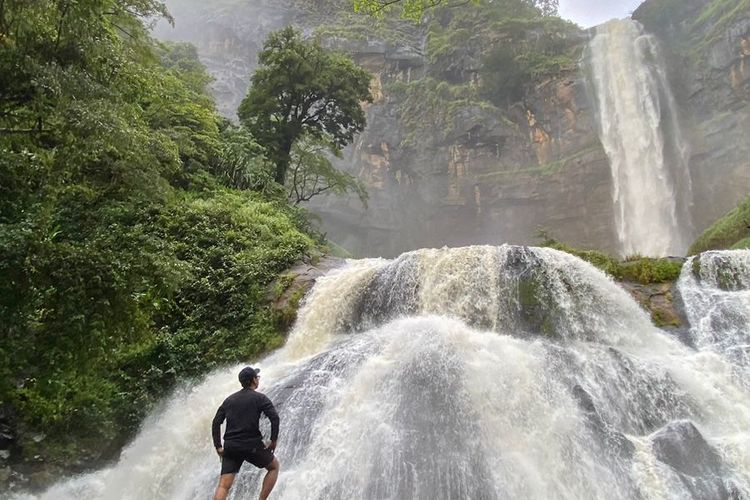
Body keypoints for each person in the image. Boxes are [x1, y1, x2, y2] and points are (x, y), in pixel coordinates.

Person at [212, 366, 280, 500]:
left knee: (224, 485)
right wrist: (273, 440)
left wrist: (218, 446)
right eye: (257, 377)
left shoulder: (229, 400)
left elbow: (216, 422)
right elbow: (274, 418)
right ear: (254, 380)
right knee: (274, 467)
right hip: (251, 445)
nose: (258, 380)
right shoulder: (260, 398)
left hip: (231, 446)